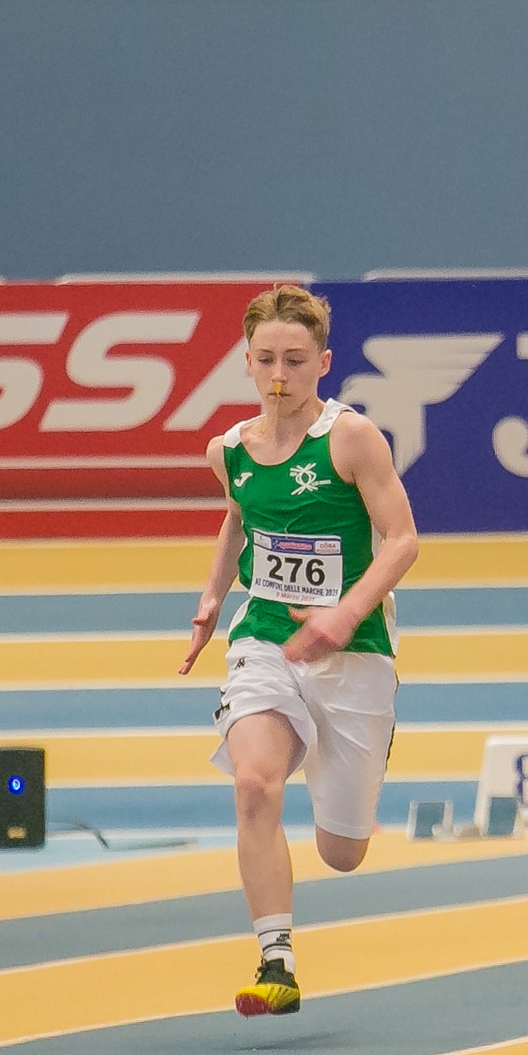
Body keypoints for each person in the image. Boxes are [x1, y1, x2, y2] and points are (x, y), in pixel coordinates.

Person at [179, 284, 421, 1018]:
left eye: (294, 359)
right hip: (267, 640)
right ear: (246, 363)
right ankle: (275, 958)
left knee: (342, 852)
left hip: (355, 650)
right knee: (254, 784)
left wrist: (344, 614)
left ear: (324, 362)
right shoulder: (228, 451)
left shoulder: (351, 439)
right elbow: (238, 517)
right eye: (266, 359)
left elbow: (403, 540)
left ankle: (362, 744)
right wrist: (212, 598)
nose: (279, 374)